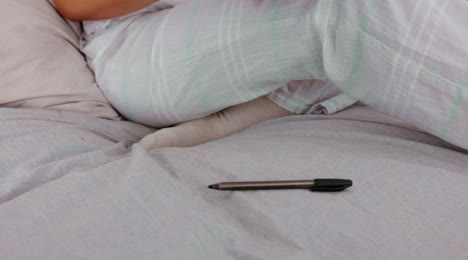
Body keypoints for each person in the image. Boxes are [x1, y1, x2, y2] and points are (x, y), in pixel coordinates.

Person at [55, 0, 468, 151]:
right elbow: (78, 3)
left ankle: (265, 105)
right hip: (137, 41)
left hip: (251, 22)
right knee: (340, 15)